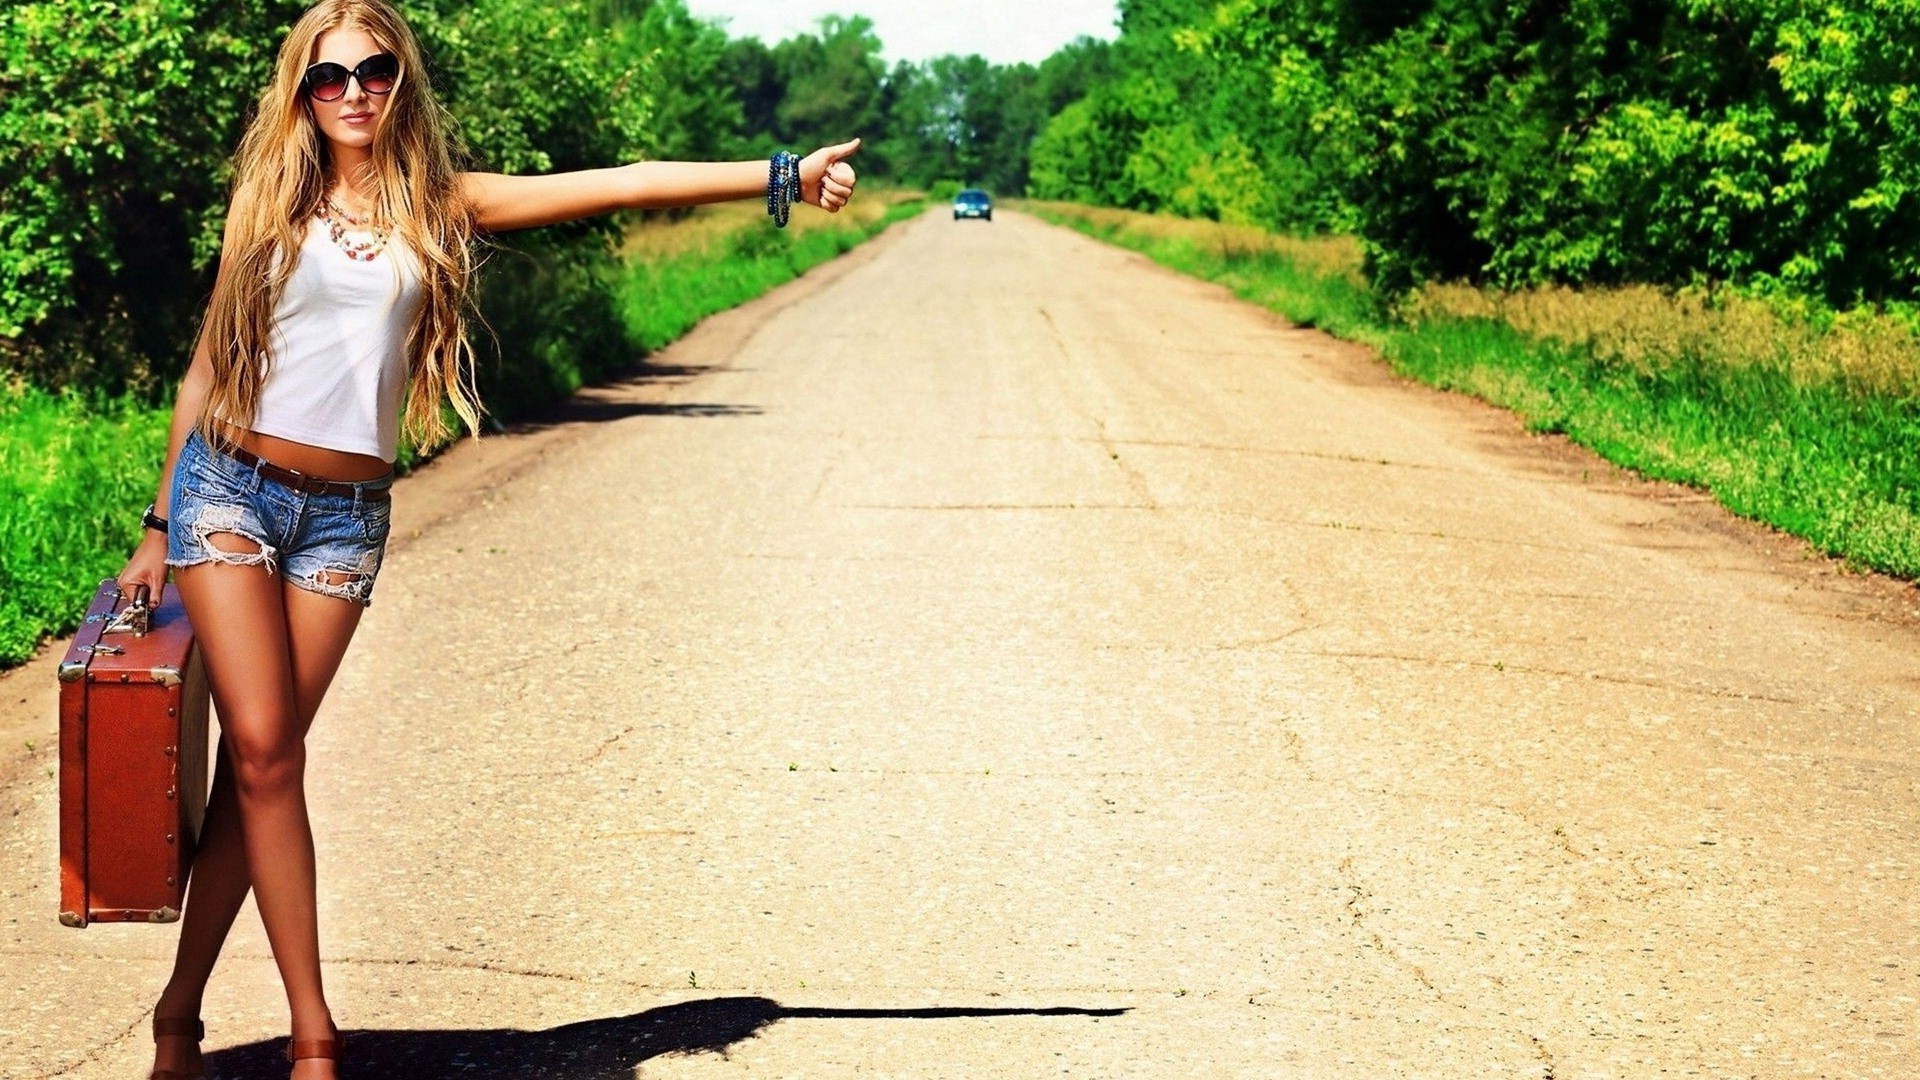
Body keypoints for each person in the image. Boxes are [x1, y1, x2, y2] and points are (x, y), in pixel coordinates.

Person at [114, 2, 860, 1076]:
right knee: (271, 753)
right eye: (329, 79)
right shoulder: (270, 202)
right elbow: (205, 368)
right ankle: (315, 1040)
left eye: (373, 71)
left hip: (344, 516)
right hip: (225, 489)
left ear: (400, 80)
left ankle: (178, 1016)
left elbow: (626, 180)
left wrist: (780, 173)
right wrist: (156, 524)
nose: (354, 93)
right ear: (302, 93)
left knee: (259, 771)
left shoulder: (443, 206)